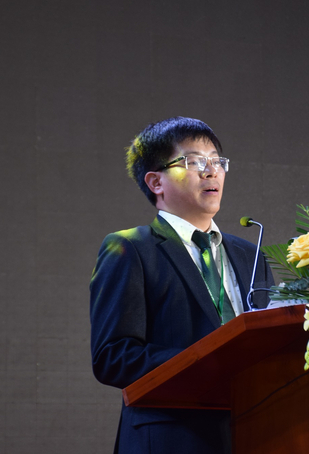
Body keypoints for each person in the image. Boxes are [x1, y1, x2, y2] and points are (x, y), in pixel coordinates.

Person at [90, 117, 274, 454]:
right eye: (193, 161)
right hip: (169, 437)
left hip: (251, 432)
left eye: (217, 161)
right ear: (156, 182)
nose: (211, 171)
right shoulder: (130, 248)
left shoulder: (251, 255)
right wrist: (209, 364)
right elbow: (112, 356)